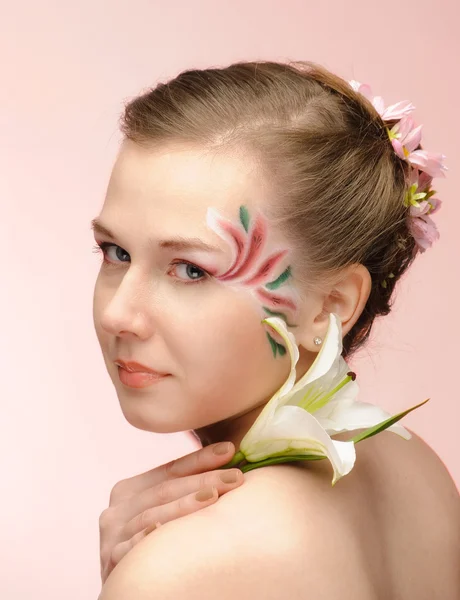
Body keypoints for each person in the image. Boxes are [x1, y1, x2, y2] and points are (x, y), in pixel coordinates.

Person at [92, 60, 460, 599]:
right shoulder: (414, 467)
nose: (118, 314)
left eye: (192, 270)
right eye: (116, 252)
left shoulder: (187, 564)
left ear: (329, 306)